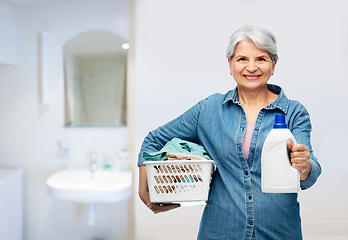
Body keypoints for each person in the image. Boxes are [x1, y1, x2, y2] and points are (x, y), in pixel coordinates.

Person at [137, 25, 322, 240]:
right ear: (230, 64)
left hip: (279, 233)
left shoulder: (293, 112)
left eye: (261, 59)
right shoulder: (209, 109)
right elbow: (153, 140)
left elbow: (309, 174)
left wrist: (304, 165)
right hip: (220, 231)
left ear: (273, 65)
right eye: (242, 59)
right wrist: (145, 190)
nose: (251, 67)